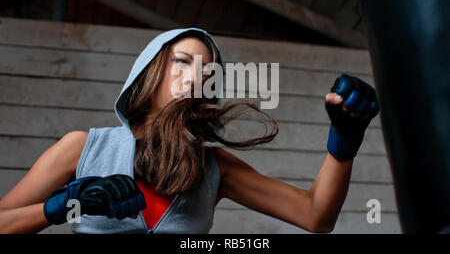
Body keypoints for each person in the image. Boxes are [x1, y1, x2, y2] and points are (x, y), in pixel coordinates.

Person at [0, 28, 378, 234]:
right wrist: (62, 207)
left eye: (206, 72)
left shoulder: (214, 168)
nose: (194, 77)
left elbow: (316, 217)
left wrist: (344, 142)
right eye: (182, 62)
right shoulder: (82, 149)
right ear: (150, 69)